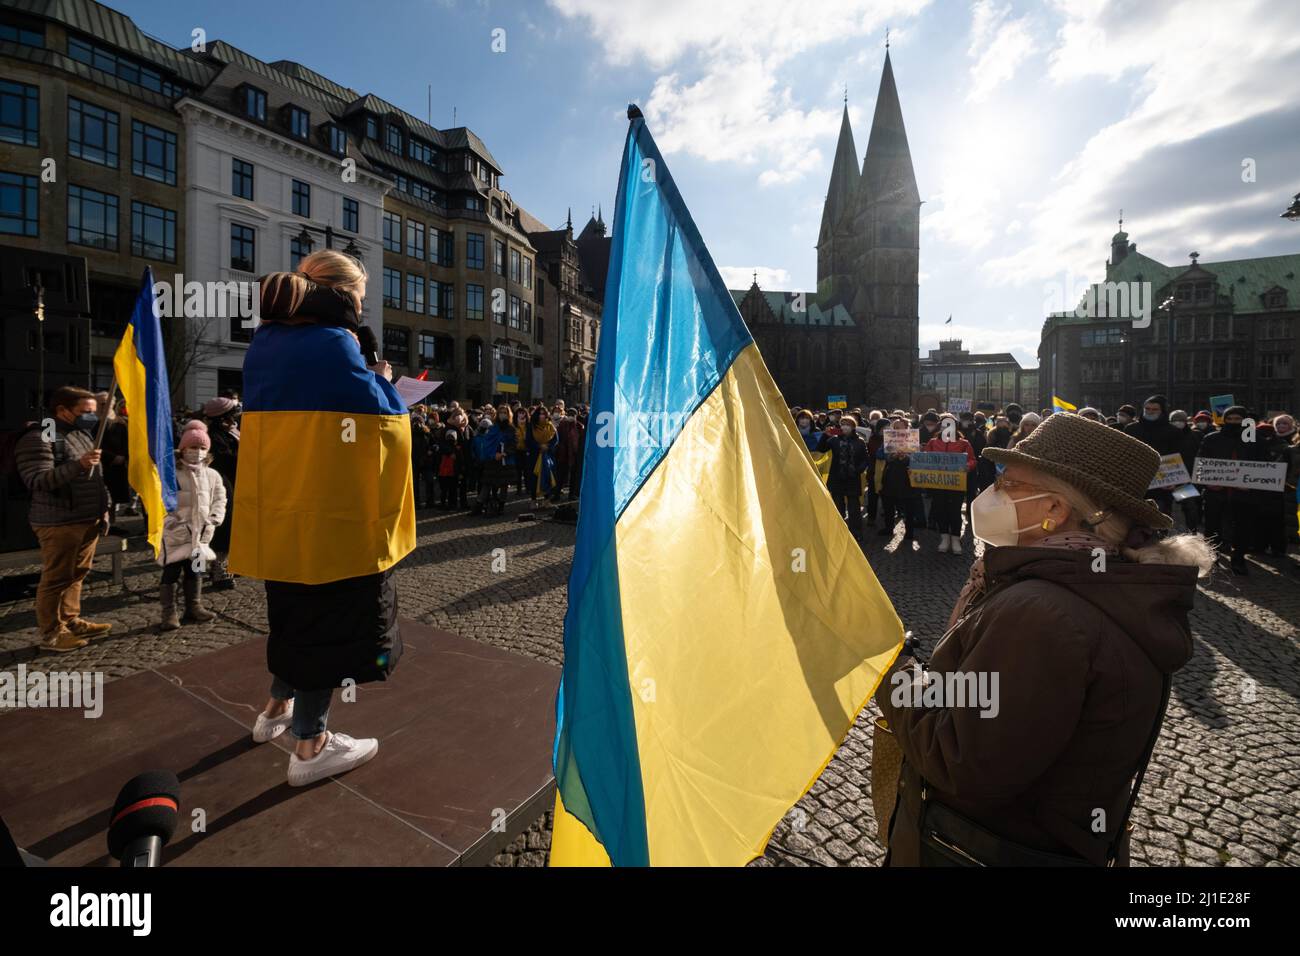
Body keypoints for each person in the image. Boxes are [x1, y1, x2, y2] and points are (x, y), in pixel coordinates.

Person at [876, 413, 1212, 866]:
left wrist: (892, 673)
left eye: (1009, 483)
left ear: (1056, 510)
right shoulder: (1102, 587)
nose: (992, 492)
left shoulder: (1041, 614)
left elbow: (959, 760)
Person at [233, 250, 414, 787]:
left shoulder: (265, 341)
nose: (361, 305)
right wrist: (381, 378)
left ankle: (274, 711)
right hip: (329, 514)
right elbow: (381, 419)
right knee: (326, 626)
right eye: (359, 295)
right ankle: (310, 744)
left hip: (284, 510)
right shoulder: (335, 344)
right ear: (341, 293)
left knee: (292, 615)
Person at [14, 386, 113, 652]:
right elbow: (37, 479)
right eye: (86, 412)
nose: (92, 417)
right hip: (59, 521)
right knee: (56, 578)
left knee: (77, 574)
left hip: (86, 518)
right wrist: (78, 464)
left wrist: (104, 508)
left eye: (94, 412)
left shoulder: (80, 432)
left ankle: (70, 619)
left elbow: (95, 476)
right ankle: (52, 634)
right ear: (62, 410)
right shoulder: (40, 436)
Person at [157, 421, 226, 631]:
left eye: (203, 448)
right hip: (175, 534)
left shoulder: (212, 474)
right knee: (171, 572)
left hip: (201, 533)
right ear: (183, 448)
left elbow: (220, 498)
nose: (198, 452)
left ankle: (194, 606)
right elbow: (158, 500)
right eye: (193, 447)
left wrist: (215, 518)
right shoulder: (170, 472)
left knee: (196, 570)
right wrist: (170, 522)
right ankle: (169, 612)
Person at [1198, 405, 1265, 575]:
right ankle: (1212, 558)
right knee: (1212, 527)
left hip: (1244, 493)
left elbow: (1264, 465)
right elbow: (1202, 462)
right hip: (1216, 492)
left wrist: (1252, 484)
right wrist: (1208, 483)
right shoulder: (1211, 438)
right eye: (1230, 419)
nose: (1234, 422)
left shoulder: (1255, 439)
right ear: (1224, 420)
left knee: (1243, 527)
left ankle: (1239, 559)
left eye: (1238, 419)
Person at [923, 414, 977, 554]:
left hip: (956, 483)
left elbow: (972, 460)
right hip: (938, 483)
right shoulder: (933, 442)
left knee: (954, 510)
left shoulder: (964, 443)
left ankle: (955, 538)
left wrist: (967, 466)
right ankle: (944, 537)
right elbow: (925, 459)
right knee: (940, 509)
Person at [202, 396, 241, 589]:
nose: (234, 420)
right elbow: (227, 459)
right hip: (221, 485)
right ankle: (219, 571)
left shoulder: (229, 432)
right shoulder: (214, 436)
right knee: (223, 528)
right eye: (231, 416)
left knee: (233, 526)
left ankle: (230, 564)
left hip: (232, 482)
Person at [1125, 394, 1182, 520]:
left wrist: (1174, 479)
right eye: (1147, 409)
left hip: (1162, 483)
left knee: (1159, 518)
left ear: (1162, 411)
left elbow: (1177, 455)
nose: (1150, 412)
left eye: (1154, 409)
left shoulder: (1172, 431)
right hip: (1136, 482)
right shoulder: (1131, 429)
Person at [816, 414, 870, 541]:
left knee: (854, 508)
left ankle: (856, 532)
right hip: (837, 477)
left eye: (848, 424)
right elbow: (820, 449)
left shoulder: (860, 441)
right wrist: (825, 436)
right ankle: (838, 532)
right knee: (838, 506)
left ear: (853, 427)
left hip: (853, 478)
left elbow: (865, 459)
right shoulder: (834, 440)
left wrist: (858, 470)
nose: (845, 427)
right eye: (843, 424)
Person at [878, 418, 919, 545]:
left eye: (900, 427)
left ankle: (909, 531)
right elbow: (879, 454)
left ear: (907, 428)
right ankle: (889, 528)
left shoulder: (913, 439)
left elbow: (918, 456)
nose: (898, 430)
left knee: (909, 505)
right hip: (891, 475)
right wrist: (891, 456)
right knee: (888, 503)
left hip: (907, 476)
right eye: (895, 428)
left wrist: (906, 456)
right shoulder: (888, 439)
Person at [524, 406, 559, 508]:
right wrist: (539, 446)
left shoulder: (550, 426)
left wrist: (547, 446)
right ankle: (533, 500)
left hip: (548, 455)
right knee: (534, 478)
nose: (542, 416)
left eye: (544, 413)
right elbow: (528, 440)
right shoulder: (531, 426)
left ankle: (547, 500)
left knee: (548, 476)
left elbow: (555, 439)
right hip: (535, 456)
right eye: (540, 413)